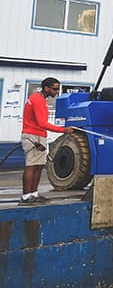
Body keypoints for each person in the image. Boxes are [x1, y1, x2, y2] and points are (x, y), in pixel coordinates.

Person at [20, 77, 78, 205]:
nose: (57, 92)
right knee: (31, 166)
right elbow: (42, 123)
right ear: (46, 88)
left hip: (39, 135)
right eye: (55, 89)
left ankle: (33, 194)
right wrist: (63, 130)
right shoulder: (37, 100)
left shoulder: (41, 99)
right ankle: (25, 197)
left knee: (39, 166)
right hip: (32, 136)